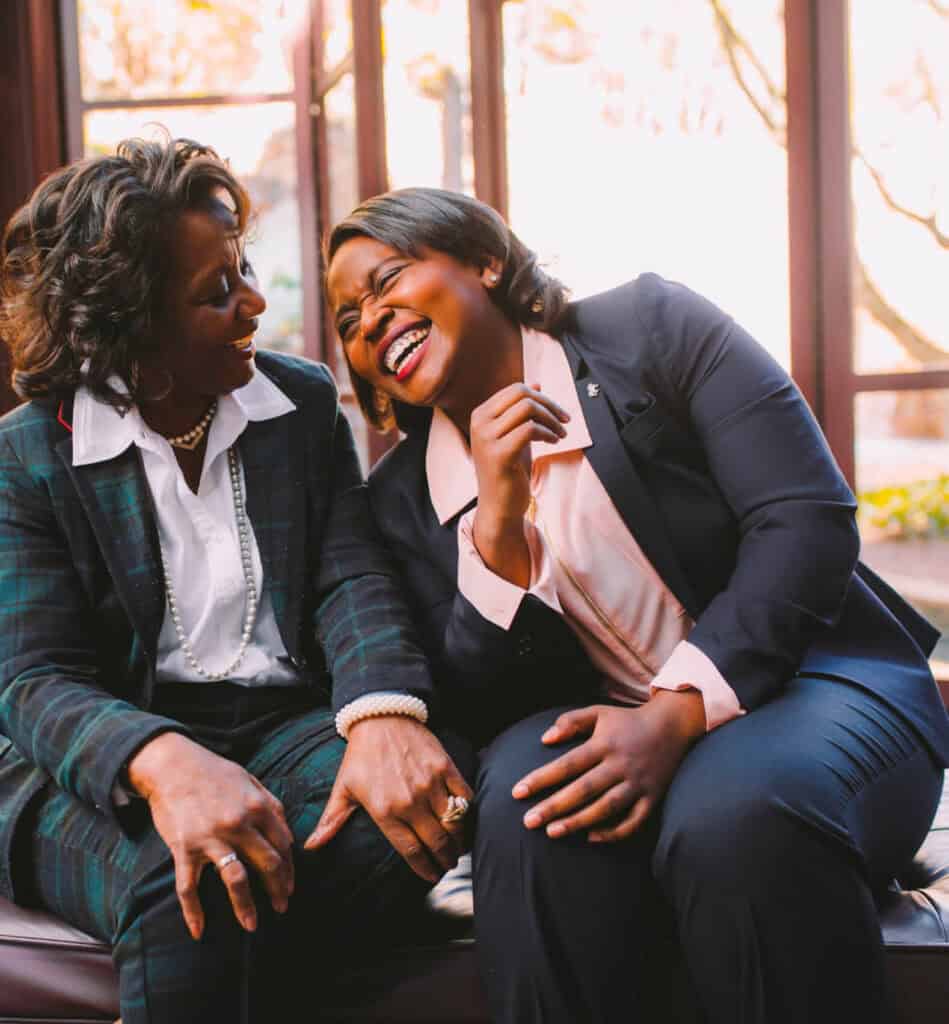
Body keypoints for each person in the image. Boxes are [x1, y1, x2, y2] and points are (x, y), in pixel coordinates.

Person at [324, 186, 949, 1024]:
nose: (370, 319)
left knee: (732, 814)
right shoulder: (400, 501)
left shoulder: (650, 329)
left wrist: (670, 714)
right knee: (525, 812)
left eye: (389, 277)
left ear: (487, 260)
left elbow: (804, 520)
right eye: (347, 318)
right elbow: (480, 699)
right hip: (596, 727)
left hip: (814, 686)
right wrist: (499, 523)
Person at [0, 143, 474, 1024]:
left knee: (419, 797)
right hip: (85, 768)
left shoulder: (297, 405)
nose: (256, 302)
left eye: (243, 268)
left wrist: (383, 714)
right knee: (198, 879)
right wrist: (163, 762)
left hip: (283, 730)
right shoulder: (26, 456)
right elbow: (33, 680)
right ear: (129, 327)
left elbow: (351, 580)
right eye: (217, 293)